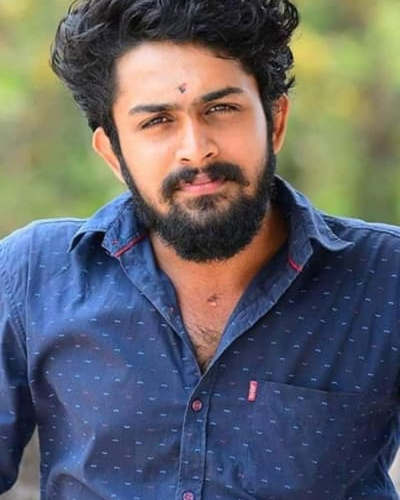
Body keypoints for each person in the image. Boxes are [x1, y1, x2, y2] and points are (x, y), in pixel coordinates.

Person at [1, 0, 399, 498]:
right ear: (113, 154)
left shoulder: (386, 279)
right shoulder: (34, 276)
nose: (196, 149)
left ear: (275, 121)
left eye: (221, 109)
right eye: (157, 121)